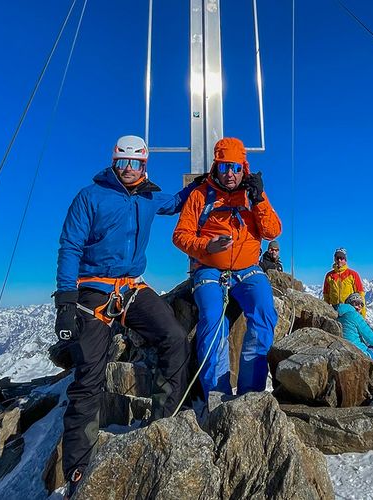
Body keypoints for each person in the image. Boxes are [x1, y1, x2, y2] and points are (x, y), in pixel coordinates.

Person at [54, 135, 196, 495]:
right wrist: (66, 302)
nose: (129, 170)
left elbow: (178, 201)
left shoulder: (148, 197)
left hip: (132, 287)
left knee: (174, 337)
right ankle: (77, 469)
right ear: (113, 162)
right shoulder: (90, 197)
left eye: (136, 164)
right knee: (89, 376)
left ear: (145, 166)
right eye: (122, 163)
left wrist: (208, 180)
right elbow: (70, 246)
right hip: (94, 290)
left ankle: (165, 420)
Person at [172, 137, 281, 399]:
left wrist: (259, 201)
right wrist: (207, 247)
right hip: (209, 269)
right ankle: (217, 395)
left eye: (234, 167)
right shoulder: (200, 194)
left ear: (243, 166)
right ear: (215, 167)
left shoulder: (252, 193)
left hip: (248, 269)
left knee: (265, 312)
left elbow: (272, 231)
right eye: (223, 167)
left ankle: (250, 393)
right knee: (212, 318)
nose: (229, 174)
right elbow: (180, 235)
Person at [336, 292, 373, 361]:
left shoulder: (338, 316)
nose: (359, 306)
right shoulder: (355, 315)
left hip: (344, 351)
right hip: (360, 353)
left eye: (361, 304)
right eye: (356, 303)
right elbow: (371, 338)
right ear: (349, 304)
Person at [323, 247, 366, 317]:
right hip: (334, 311)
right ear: (334, 259)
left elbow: (360, 295)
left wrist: (362, 315)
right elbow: (326, 295)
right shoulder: (329, 275)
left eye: (341, 258)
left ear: (345, 260)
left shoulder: (353, 274)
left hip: (349, 311)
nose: (339, 260)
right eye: (337, 258)